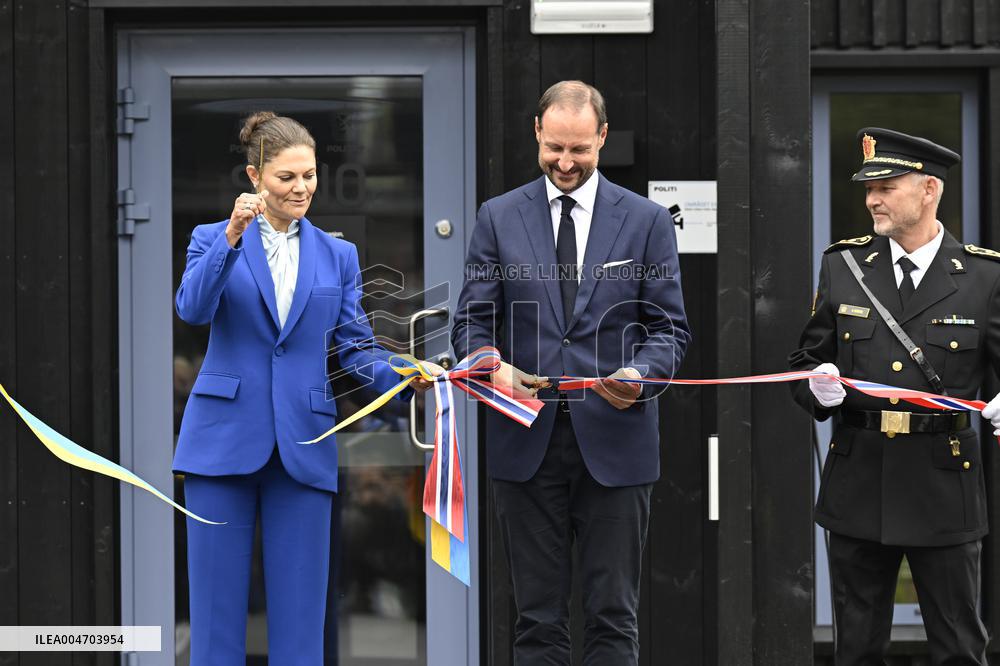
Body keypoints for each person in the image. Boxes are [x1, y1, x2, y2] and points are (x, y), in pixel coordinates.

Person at [173, 111, 439, 665]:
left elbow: (354, 349)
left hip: (306, 444)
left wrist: (405, 375)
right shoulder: (211, 238)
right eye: (286, 178)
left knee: (301, 626)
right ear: (254, 178)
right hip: (222, 442)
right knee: (217, 620)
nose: (301, 189)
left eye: (310, 176)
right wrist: (230, 238)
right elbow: (192, 308)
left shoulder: (337, 256)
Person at [452, 80, 690, 665]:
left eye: (579, 150)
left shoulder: (647, 221)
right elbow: (471, 323)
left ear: (602, 138)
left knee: (613, 617)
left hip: (616, 440)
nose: (565, 162)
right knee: (535, 619)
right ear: (537, 132)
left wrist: (638, 375)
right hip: (522, 441)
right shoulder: (497, 216)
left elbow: (669, 332)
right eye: (554, 147)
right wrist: (487, 364)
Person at [790, 127, 1000, 664]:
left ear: (930, 190)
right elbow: (806, 364)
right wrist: (818, 388)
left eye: (887, 187)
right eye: (867, 189)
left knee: (958, 645)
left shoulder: (983, 276)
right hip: (861, 477)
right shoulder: (844, 266)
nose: (872, 200)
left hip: (943, 479)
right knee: (857, 647)